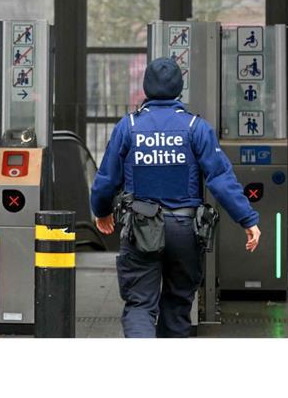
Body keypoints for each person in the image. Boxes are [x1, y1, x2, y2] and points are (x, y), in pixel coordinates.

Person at [90, 57, 261, 338]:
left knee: (140, 304)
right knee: (178, 305)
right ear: (179, 88)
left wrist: (101, 210)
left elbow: (107, 178)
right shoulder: (197, 127)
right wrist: (247, 219)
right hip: (185, 229)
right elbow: (220, 178)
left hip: (140, 230)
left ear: (146, 87)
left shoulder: (128, 126)